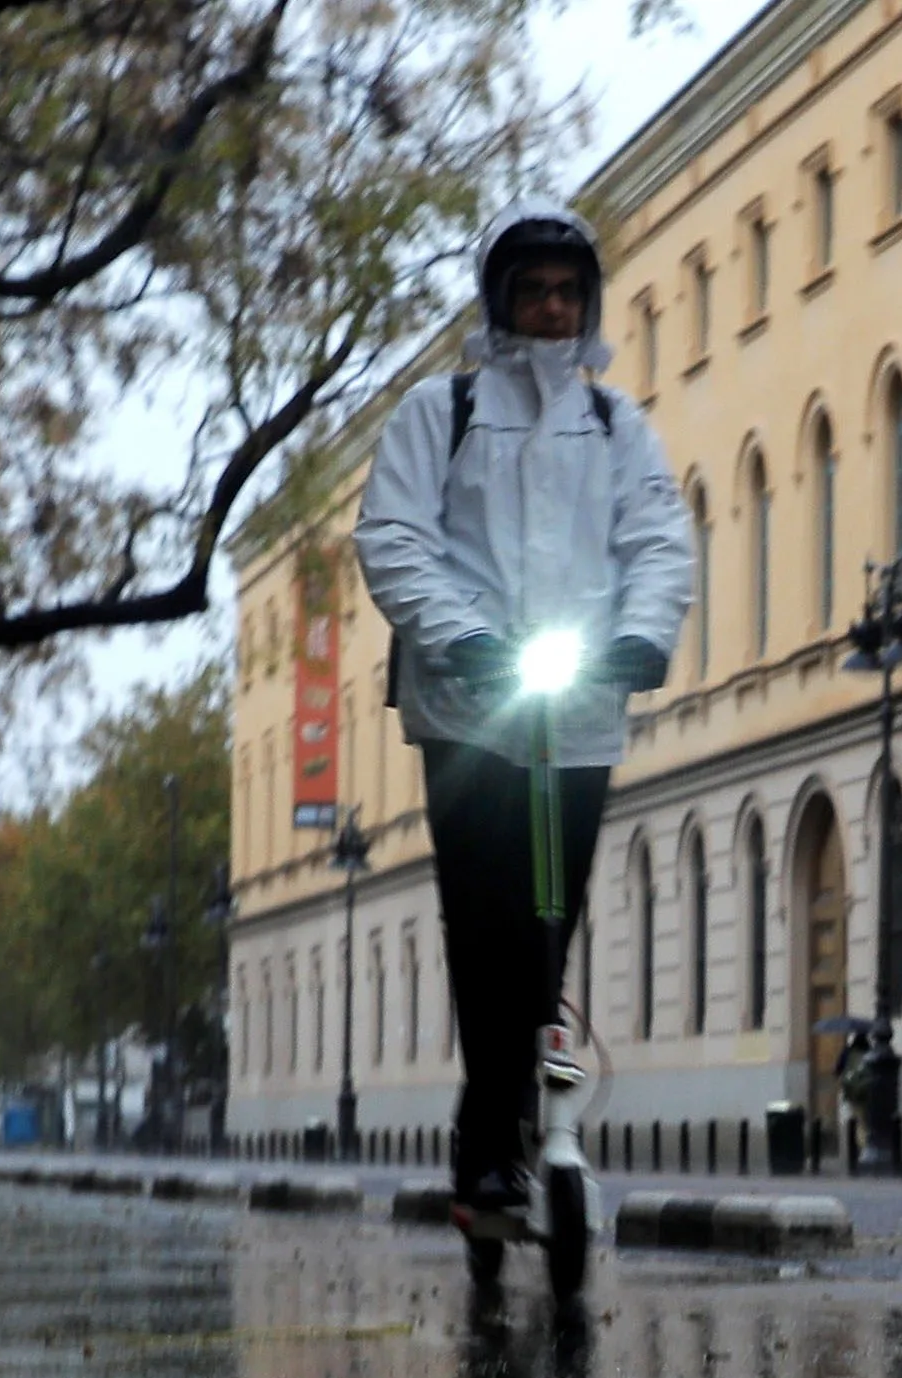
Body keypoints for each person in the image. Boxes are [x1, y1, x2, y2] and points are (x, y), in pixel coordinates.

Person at [353, 200, 696, 1218]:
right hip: (469, 711)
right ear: (501, 300)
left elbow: (660, 541)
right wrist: (460, 635)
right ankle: (487, 1140)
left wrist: (642, 634)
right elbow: (394, 537)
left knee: (551, 923)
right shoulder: (439, 411)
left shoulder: (614, 424)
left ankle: (531, 1129)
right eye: (531, 290)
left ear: (584, 304)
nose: (550, 308)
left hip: (578, 709)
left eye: (565, 292)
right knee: (488, 925)